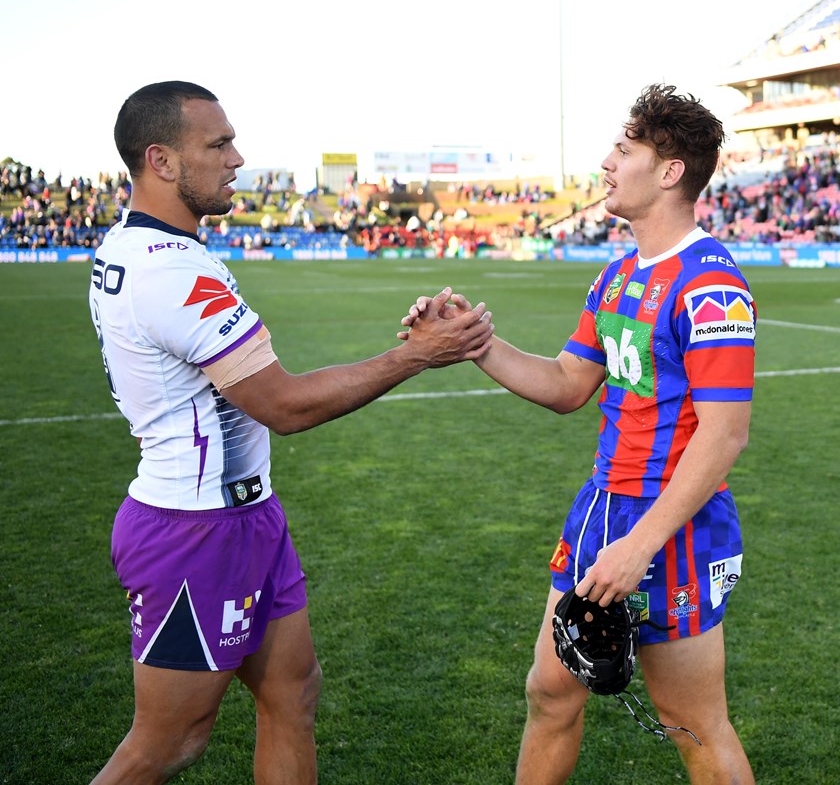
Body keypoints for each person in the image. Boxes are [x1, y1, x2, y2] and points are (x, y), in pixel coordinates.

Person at [87, 80, 494, 785]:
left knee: (293, 694)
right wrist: (414, 355)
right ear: (160, 160)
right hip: (194, 529)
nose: (237, 158)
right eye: (217, 144)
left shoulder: (138, 247)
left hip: (246, 516)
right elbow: (286, 405)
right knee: (169, 744)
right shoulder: (170, 272)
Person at [401, 83, 756, 783]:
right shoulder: (617, 275)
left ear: (669, 171)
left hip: (668, 523)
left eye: (623, 151)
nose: (605, 164)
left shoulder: (711, 286)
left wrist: (639, 545)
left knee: (692, 724)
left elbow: (724, 437)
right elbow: (568, 383)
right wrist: (475, 343)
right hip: (600, 508)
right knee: (550, 691)